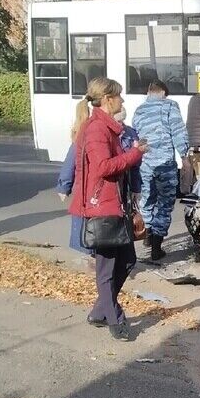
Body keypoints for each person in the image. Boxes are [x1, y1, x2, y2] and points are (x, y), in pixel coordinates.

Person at [69, 78, 147, 341]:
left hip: (113, 204)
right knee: (107, 267)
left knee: (127, 260)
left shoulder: (107, 128)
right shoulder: (96, 130)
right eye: (119, 97)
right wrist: (134, 155)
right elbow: (103, 167)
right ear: (107, 100)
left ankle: (100, 311)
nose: (123, 101)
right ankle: (116, 320)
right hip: (101, 206)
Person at [57, 102, 142, 262]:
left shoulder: (127, 133)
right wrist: (64, 185)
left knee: (102, 237)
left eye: (122, 122)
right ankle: (97, 264)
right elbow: (74, 161)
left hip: (110, 193)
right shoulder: (98, 132)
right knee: (97, 236)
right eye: (118, 122)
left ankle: (101, 264)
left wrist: (136, 188)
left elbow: (134, 167)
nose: (120, 126)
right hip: (101, 193)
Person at [132, 80, 190, 262]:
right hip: (165, 163)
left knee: (147, 199)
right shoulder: (170, 106)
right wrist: (185, 155)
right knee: (165, 202)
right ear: (164, 92)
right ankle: (157, 245)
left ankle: (148, 234)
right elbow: (178, 131)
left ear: (149, 91)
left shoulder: (139, 110)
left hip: (145, 163)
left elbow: (135, 135)